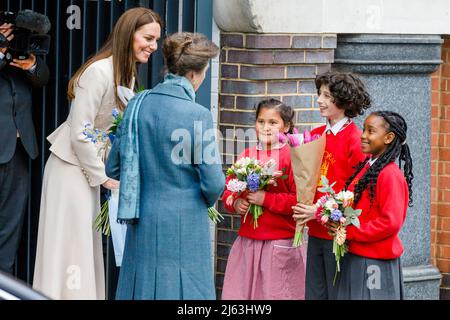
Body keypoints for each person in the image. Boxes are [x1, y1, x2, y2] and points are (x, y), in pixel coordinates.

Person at [32, 7, 162, 300]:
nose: (154, 46)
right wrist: (102, 177)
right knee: (70, 246)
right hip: (70, 168)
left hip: (88, 170)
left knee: (83, 245)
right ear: (130, 35)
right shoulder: (99, 71)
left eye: (156, 40)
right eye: (148, 38)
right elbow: (80, 130)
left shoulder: (126, 73)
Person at [105, 32, 224, 300]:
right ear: (194, 74)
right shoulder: (198, 115)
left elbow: (113, 168)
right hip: (186, 222)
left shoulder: (137, 104)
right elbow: (214, 183)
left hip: (142, 218)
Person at [292, 71, 371, 300]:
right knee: (314, 294)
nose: (319, 100)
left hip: (337, 234)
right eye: (319, 94)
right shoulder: (316, 135)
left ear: (344, 100)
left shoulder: (355, 140)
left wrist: (318, 211)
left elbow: (358, 191)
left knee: (337, 294)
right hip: (315, 231)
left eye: (327, 96)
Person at [221, 99, 305, 300]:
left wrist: (265, 198)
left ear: (286, 126)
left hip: (278, 243)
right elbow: (229, 191)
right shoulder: (247, 155)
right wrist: (235, 203)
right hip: (247, 241)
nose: (265, 127)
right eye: (260, 121)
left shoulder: (293, 157)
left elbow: (299, 201)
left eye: (273, 123)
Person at [329, 111, 413, 299]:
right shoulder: (368, 168)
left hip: (375, 262)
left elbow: (390, 223)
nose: (363, 135)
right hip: (356, 255)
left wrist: (349, 232)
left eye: (371, 131)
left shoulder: (389, 174)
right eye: (364, 129)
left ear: (388, 138)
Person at [0, 23, 49, 274]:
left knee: (10, 226)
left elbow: (42, 78)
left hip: (19, 149)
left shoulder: (16, 46)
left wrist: (30, 63)